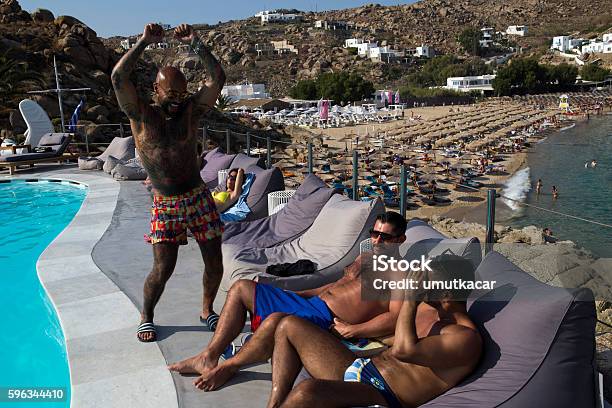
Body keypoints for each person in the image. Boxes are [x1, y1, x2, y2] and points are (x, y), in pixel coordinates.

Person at [168, 212, 408, 391]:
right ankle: (209, 356)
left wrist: (353, 329)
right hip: (311, 303)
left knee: (274, 321)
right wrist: (300, 294)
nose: (376, 241)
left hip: (326, 319)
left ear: (400, 240)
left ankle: (227, 367)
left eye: (384, 237)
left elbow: (395, 317)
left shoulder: (399, 272)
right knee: (241, 287)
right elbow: (333, 287)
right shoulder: (365, 257)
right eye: (374, 234)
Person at [112, 23, 227, 342]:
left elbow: (217, 79)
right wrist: (144, 42)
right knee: (163, 269)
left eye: (181, 93)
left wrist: (197, 45)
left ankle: (207, 309)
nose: (177, 99)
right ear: (155, 91)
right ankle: (146, 314)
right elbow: (118, 78)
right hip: (166, 204)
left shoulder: (190, 113)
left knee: (214, 261)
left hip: (198, 196)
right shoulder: (140, 114)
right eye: (170, 93)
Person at [266, 255, 482, 408]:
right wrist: (350, 331)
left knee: (308, 391)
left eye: (427, 282)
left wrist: (410, 301)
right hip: (359, 371)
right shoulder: (432, 314)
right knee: (289, 325)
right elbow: (394, 337)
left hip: (383, 395)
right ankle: (274, 404)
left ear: (446, 293)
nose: (421, 286)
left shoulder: (465, 338)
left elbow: (403, 351)